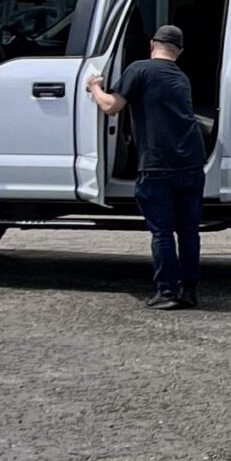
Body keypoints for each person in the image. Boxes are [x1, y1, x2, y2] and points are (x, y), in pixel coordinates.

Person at [86, 24, 208, 310]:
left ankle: (166, 292)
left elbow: (111, 106)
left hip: (157, 164)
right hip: (192, 162)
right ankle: (189, 291)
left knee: (162, 233)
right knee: (189, 232)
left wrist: (94, 86)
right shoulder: (181, 77)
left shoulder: (140, 69)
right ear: (180, 51)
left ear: (152, 43)